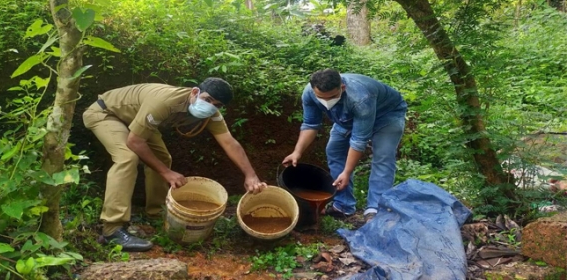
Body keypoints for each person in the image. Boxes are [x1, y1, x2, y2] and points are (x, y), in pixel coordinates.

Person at [83, 78, 267, 251]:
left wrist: (250, 175)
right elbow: (134, 142)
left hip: (136, 120)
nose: (210, 107)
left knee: (162, 159)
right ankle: (112, 229)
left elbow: (229, 142)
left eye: (217, 105)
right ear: (195, 92)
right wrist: (166, 173)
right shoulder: (165, 102)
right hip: (107, 113)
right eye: (207, 99)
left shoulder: (212, 114)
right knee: (127, 158)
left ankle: (156, 212)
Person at [282, 69, 407, 223]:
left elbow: (358, 140)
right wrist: (297, 152)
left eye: (332, 97)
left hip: (386, 116)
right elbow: (310, 124)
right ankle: (343, 206)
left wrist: (346, 172)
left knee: (383, 156)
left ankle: (375, 209)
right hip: (347, 117)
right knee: (334, 150)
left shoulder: (360, 98)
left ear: (342, 88)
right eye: (321, 98)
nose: (326, 102)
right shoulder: (309, 93)